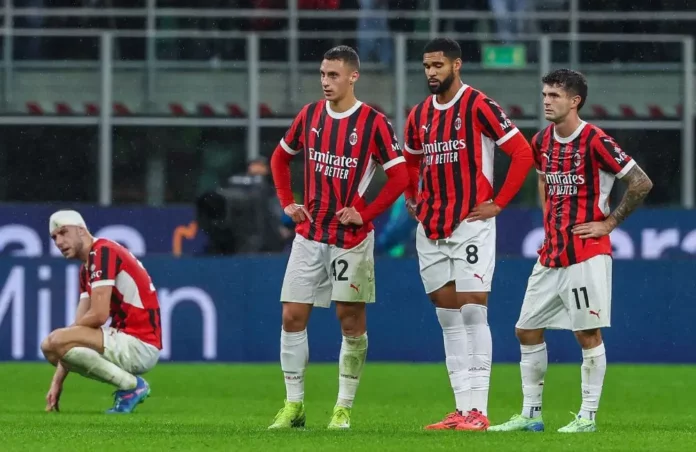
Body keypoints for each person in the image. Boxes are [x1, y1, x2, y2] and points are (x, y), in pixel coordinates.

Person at [488, 69, 653, 433]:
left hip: (587, 251)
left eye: (555, 95)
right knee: (526, 330)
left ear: (575, 100)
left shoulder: (595, 140)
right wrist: (549, 223)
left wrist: (608, 223)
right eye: (545, 94)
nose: (546, 100)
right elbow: (543, 178)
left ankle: (587, 417)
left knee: (587, 334)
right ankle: (531, 416)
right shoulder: (542, 140)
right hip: (552, 253)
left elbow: (641, 181)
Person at [268, 45, 409, 430]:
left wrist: (364, 212)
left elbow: (400, 176)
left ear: (353, 77)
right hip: (310, 233)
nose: (325, 82)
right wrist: (288, 202)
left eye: (333, 75)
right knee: (291, 316)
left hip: (350, 239)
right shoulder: (310, 115)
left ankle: (343, 407)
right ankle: (293, 405)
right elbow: (280, 157)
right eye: (322, 74)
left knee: (350, 321)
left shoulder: (374, 123)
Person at [402, 38, 534, 431]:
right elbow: (409, 160)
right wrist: (413, 197)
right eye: (426, 66)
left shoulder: (479, 105)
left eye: (438, 65)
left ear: (456, 65)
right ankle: (461, 409)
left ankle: (479, 410)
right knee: (448, 318)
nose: (431, 72)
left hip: (470, 223)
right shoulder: (419, 114)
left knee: (474, 309)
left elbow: (523, 153)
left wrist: (499, 202)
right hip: (431, 227)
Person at [41, 210, 162, 414]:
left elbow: (98, 316)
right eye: (54, 237)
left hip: (139, 344)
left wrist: (62, 338)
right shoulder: (86, 268)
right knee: (52, 346)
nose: (59, 242)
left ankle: (132, 386)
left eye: (63, 233)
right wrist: (57, 382)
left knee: (53, 342)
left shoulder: (102, 252)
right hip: (128, 341)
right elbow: (80, 324)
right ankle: (130, 386)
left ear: (81, 230)